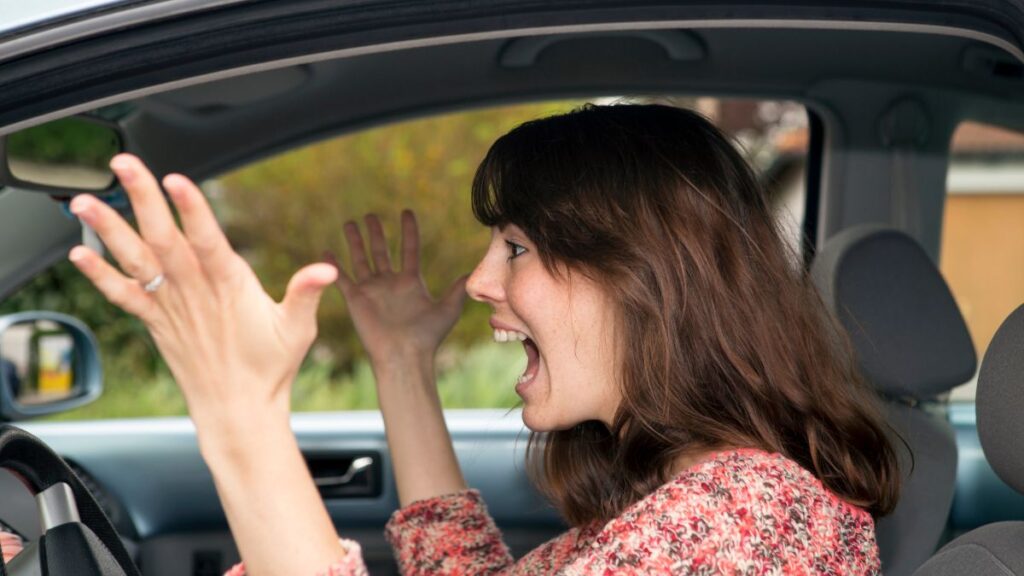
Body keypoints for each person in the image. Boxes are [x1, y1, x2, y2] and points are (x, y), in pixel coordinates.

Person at [16, 104, 899, 574]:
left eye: (516, 247)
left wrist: (241, 412)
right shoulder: (688, 500)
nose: (479, 281)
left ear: (646, 279)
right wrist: (403, 358)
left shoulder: (747, 522)